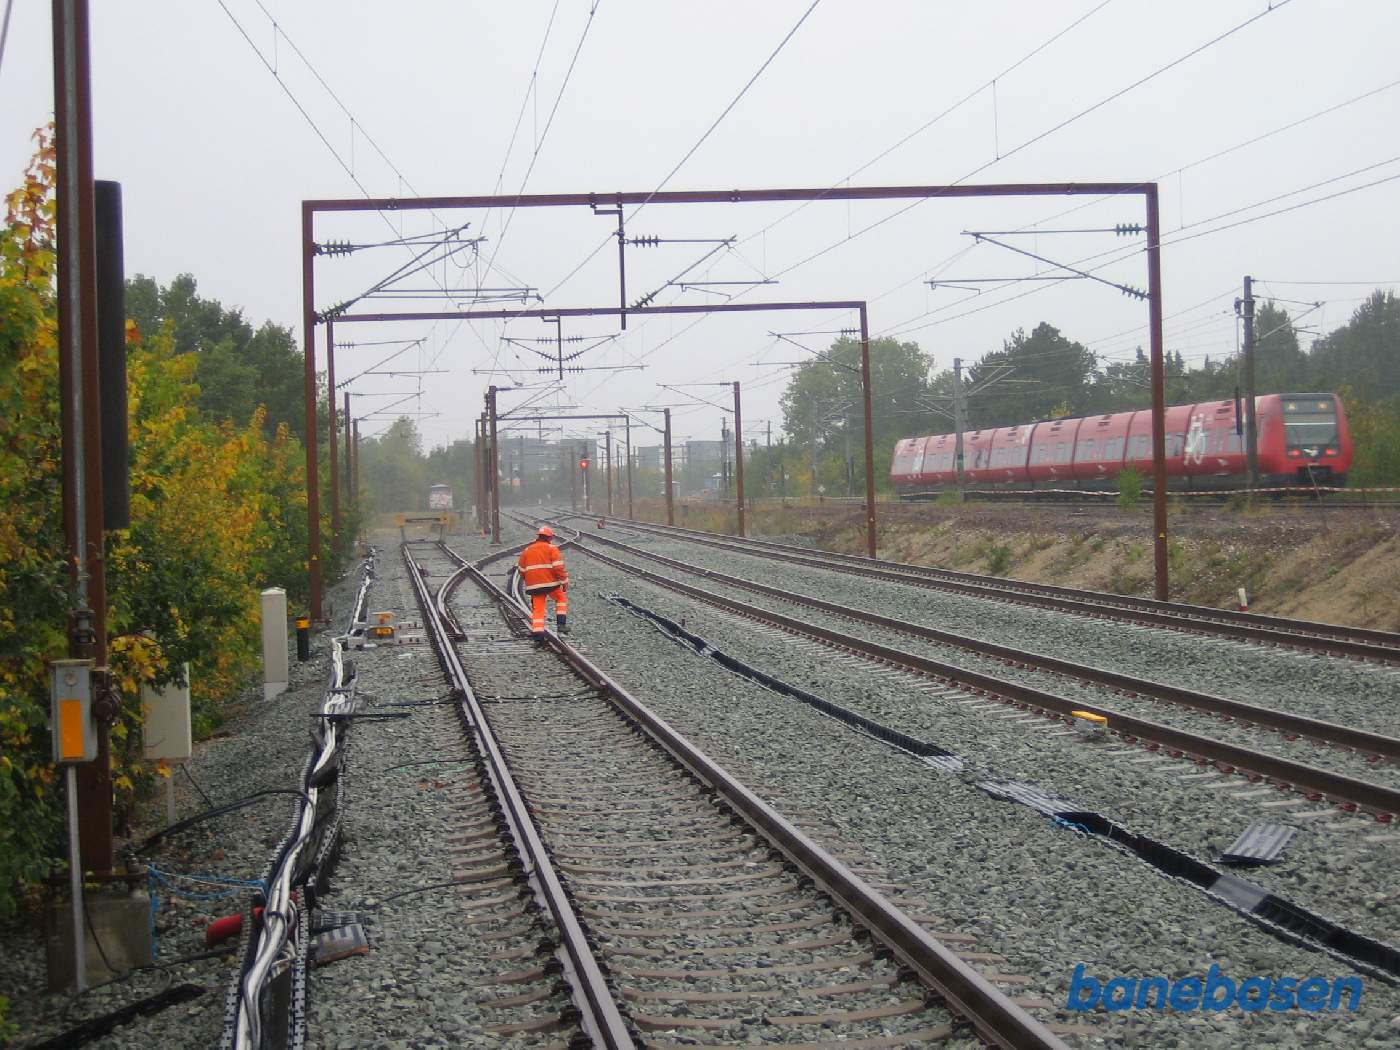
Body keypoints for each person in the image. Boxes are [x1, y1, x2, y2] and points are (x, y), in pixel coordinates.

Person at [517, 525, 569, 636]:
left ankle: (538, 635)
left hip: (534, 586)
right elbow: (558, 567)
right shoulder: (552, 549)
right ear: (549, 538)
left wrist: (530, 579)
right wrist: (564, 581)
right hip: (551, 584)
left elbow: (521, 569)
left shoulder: (527, 550)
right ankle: (561, 625)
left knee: (538, 609)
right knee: (561, 598)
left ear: (539, 537)